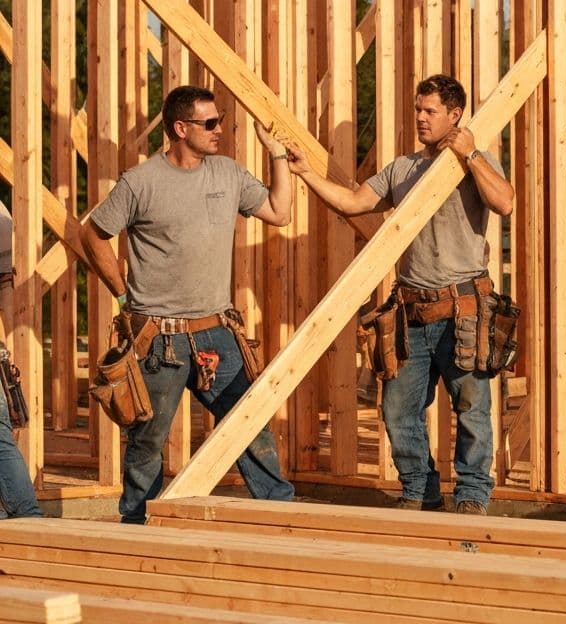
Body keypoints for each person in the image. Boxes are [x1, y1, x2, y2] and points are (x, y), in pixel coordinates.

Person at [284, 74, 513, 516]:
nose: (421, 118)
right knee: (398, 410)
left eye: (430, 111)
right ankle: (419, 489)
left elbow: (504, 202)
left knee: (471, 409)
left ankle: (471, 496)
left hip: (464, 307)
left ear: (455, 115)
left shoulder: (476, 163)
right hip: (412, 311)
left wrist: (470, 156)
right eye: (418, 110)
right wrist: (306, 173)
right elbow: (352, 203)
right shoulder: (402, 169)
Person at [81, 86, 295, 524]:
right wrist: (122, 293)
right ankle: (136, 524)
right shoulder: (140, 182)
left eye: (219, 121)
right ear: (180, 128)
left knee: (249, 424)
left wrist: (276, 155)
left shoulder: (229, 174)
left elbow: (279, 211)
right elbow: (93, 234)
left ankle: (280, 515)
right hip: (160, 338)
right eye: (209, 123)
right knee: (148, 438)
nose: (220, 130)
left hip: (218, 332)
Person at [0, 200, 42, 520]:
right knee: (1, 438)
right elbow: (6, 287)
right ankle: (29, 519)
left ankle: (26, 517)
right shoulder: (2, 213)